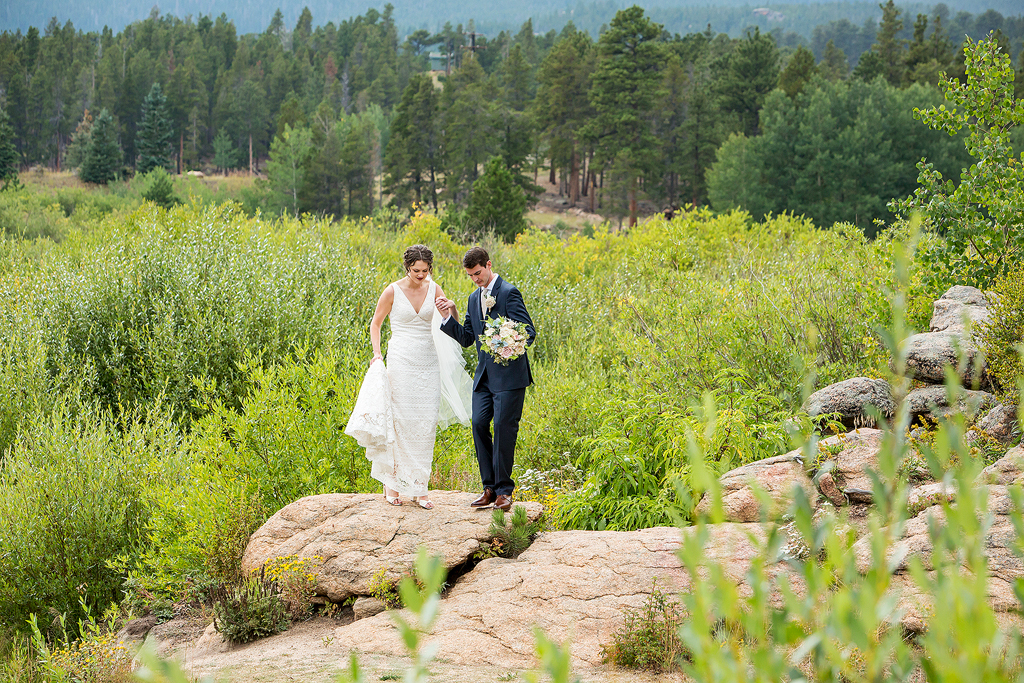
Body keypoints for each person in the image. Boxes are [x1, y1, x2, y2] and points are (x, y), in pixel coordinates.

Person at [345, 244, 473, 509]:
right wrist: (377, 353)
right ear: (407, 267)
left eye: (425, 271)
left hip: (428, 361)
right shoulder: (392, 290)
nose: (421, 275)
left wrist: (453, 307)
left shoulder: (434, 288)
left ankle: (420, 488)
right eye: (416, 270)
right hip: (401, 360)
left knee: (424, 425)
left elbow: (452, 323)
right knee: (400, 422)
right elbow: (376, 324)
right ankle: (392, 484)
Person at [436, 247, 536, 512]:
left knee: (504, 430)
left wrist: (505, 345)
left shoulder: (508, 292)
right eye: (471, 276)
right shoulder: (472, 299)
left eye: (478, 273)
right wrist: (448, 319)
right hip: (484, 379)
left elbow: (527, 331)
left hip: (510, 378)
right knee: (479, 424)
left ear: (488, 265)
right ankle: (488, 488)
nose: (476, 279)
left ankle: (504, 491)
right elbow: (469, 338)